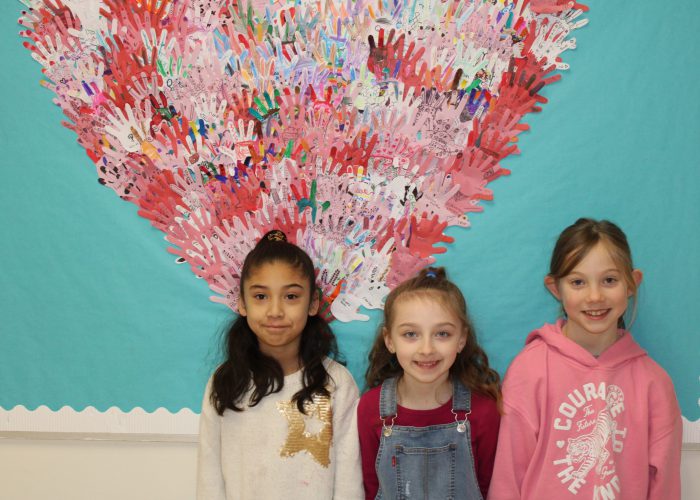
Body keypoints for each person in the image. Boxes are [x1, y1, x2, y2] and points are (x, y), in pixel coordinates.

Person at [488, 218, 682, 499]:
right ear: (556, 288)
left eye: (610, 280)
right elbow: (508, 478)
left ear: (631, 283)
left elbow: (664, 486)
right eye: (578, 282)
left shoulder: (654, 383)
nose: (594, 296)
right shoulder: (530, 370)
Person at [197, 229, 363, 499]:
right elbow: (209, 478)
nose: (275, 311)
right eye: (261, 296)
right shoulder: (225, 382)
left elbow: (348, 481)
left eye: (291, 296)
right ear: (242, 303)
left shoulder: (336, 383)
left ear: (313, 304)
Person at [357, 267, 502, 500]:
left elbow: (490, 488)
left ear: (461, 339)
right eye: (411, 334)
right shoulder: (370, 407)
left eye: (442, 334)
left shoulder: (484, 410)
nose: (426, 349)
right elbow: (370, 487)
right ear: (389, 340)